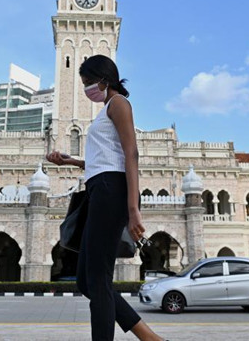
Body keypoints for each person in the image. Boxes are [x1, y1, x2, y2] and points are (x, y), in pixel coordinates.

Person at [46, 55, 167, 341]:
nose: (86, 89)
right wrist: (70, 161)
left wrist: (133, 209)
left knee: (98, 280)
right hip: (99, 188)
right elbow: (104, 160)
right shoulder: (105, 110)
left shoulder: (119, 103)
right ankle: (148, 337)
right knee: (87, 281)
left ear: (104, 78)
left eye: (89, 82)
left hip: (111, 191)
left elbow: (131, 153)